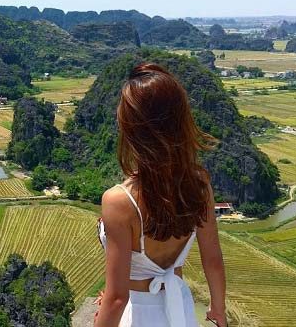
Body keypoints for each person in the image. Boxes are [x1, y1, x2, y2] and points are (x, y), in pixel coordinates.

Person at [94, 63, 227, 327]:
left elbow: (117, 298)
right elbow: (212, 259)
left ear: (133, 127)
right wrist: (218, 311)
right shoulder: (199, 184)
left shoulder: (119, 201)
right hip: (180, 309)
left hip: (138, 314)